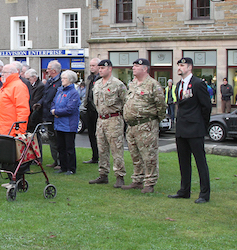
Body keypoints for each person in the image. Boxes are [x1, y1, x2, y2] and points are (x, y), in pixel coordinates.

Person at [168, 57, 213, 203]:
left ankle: (204, 194)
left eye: (182, 65)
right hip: (181, 128)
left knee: (200, 162)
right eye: (178, 65)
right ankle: (184, 190)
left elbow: (206, 107)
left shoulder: (198, 84)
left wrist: (201, 124)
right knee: (183, 161)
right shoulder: (179, 84)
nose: (179, 68)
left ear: (190, 67)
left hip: (195, 128)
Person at [122, 58, 167, 193]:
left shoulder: (153, 84)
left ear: (145, 68)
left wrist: (155, 121)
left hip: (146, 124)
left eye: (136, 66)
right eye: (133, 66)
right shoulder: (132, 84)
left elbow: (161, 106)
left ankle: (150, 182)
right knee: (135, 155)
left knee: (149, 155)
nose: (133, 68)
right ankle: (137, 180)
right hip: (131, 126)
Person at [89, 59, 127, 185]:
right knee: (102, 148)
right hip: (101, 119)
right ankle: (103, 174)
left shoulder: (117, 84)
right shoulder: (97, 83)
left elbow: (126, 102)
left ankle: (119, 176)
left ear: (110, 69)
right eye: (99, 68)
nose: (100, 70)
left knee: (116, 149)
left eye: (102, 68)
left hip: (114, 119)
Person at [51, 70, 81, 175]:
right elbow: (54, 102)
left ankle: (71, 168)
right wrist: (53, 110)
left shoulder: (73, 93)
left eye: (64, 78)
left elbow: (70, 109)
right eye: (62, 78)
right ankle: (63, 167)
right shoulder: (60, 90)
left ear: (70, 80)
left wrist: (57, 112)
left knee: (69, 147)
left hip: (69, 124)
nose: (62, 80)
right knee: (61, 147)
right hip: (59, 123)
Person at [40, 60, 63, 169]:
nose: (47, 70)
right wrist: (39, 103)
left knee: (58, 139)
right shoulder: (49, 82)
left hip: (56, 116)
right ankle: (55, 160)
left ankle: (60, 161)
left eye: (48, 68)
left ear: (54, 70)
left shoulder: (60, 82)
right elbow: (45, 97)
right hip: (48, 115)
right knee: (51, 139)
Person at [81, 58, 100, 164]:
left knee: (99, 135)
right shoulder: (89, 77)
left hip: (97, 109)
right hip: (89, 109)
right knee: (91, 133)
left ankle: (100, 156)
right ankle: (95, 156)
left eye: (94, 65)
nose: (92, 67)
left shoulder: (101, 78)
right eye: (91, 65)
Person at [25, 68, 45, 133]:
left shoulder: (40, 86)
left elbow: (35, 100)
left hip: (34, 114)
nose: (27, 81)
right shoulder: (29, 85)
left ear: (34, 77)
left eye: (28, 79)